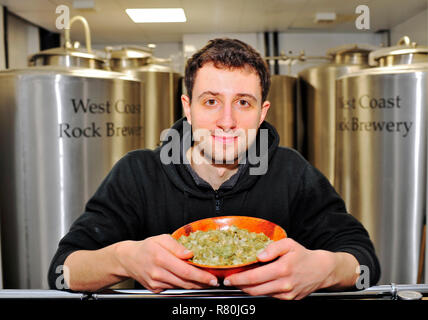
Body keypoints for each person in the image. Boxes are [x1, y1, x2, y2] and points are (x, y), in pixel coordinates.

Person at [48, 38, 380, 300]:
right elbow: (62, 272)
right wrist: (122, 258)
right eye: (210, 101)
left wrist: (325, 269)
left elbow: (365, 265)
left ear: (262, 112)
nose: (226, 121)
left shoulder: (291, 171)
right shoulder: (138, 172)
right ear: (187, 107)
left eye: (243, 102)